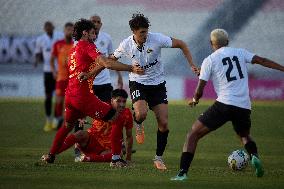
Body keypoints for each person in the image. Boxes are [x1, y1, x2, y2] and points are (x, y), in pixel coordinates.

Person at [171, 28, 284, 181]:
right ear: (228, 41)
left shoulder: (210, 60)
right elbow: (261, 60)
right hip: (243, 106)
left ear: (211, 43)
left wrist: (195, 100)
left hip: (224, 104)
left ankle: (182, 173)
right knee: (244, 135)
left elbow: (200, 89)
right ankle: (254, 156)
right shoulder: (240, 52)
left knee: (193, 134)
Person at [41, 18, 144, 165]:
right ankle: (115, 159)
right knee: (119, 118)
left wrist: (91, 73)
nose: (95, 36)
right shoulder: (86, 46)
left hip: (70, 96)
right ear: (85, 33)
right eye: (92, 33)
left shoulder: (73, 50)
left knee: (67, 127)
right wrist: (130, 68)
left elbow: (91, 69)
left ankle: (51, 155)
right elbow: (107, 63)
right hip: (83, 97)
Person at [111, 13, 199, 170]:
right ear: (134, 32)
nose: (145, 35)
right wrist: (128, 68)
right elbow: (110, 61)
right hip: (138, 83)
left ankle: (158, 158)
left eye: (146, 31)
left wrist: (192, 64)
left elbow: (182, 44)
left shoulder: (157, 38)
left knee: (164, 123)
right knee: (141, 114)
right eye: (141, 32)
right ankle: (138, 123)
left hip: (157, 84)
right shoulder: (125, 44)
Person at [48, 89, 134, 167]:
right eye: (118, 101)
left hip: (106, 148)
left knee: (118, 154)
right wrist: (81, 117)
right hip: (90, 141)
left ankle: (87, 158)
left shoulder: (127, 114)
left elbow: (129, 136)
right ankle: (52, 154)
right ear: (111, 101)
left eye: (124, 101)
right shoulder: (103, 106)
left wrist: (128, 158)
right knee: (80, 134)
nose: (122, 105)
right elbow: (86, 107)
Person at [35, 21, 63, 132]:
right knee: (48, 96)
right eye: (46, 27)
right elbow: (38, 53)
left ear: (53, 27)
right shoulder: (40, 39)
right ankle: (48, 120)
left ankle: (56, 120)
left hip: (60, 71)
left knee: (59, 97)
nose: (48, 28)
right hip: (47, 71)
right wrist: (36, 60)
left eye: (49, 26)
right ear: (44, 28)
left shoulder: (60, 36)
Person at [50, 22, 74, 129]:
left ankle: (67, 121)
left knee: (70, 101)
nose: (69, 31)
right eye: (67, 29)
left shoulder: (76, 44)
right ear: (64, 31)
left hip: (72, 78)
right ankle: (57, 119)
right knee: (59, 99)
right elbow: (51, 59)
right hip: (61, 77)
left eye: (71, 30)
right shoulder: (58, 44)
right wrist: (53, 71)